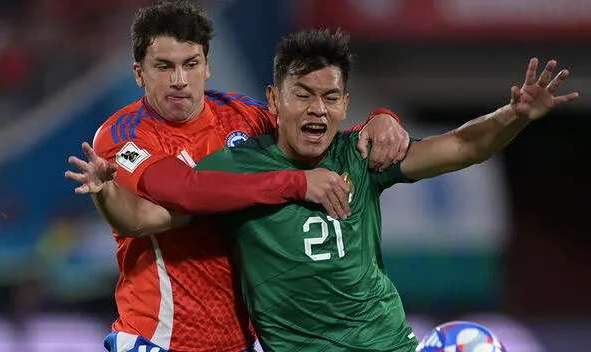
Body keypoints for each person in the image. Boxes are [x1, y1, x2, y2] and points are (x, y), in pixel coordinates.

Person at [70, 28, 578, 351]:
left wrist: (514, 116)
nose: (317, 109)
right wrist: (104, 192)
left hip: (387, 345)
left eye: (330, 98)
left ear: (344, 104)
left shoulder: (360, 155)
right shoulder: (232, 170)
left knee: (480, 344)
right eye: (304, 95)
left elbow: (462, 147)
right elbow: (149, 218)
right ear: (274, 100)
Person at [65, 1, 411, 351]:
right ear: (139, 73)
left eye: (191, 64)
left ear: (207, 67)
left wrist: (381, 119)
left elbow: (316, 129)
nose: (180, 80)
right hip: (158, 338)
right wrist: (296, 183)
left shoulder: (243, 116)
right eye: (164, 67)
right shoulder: (123, 135)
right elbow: (184, 191)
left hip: (241, 341)